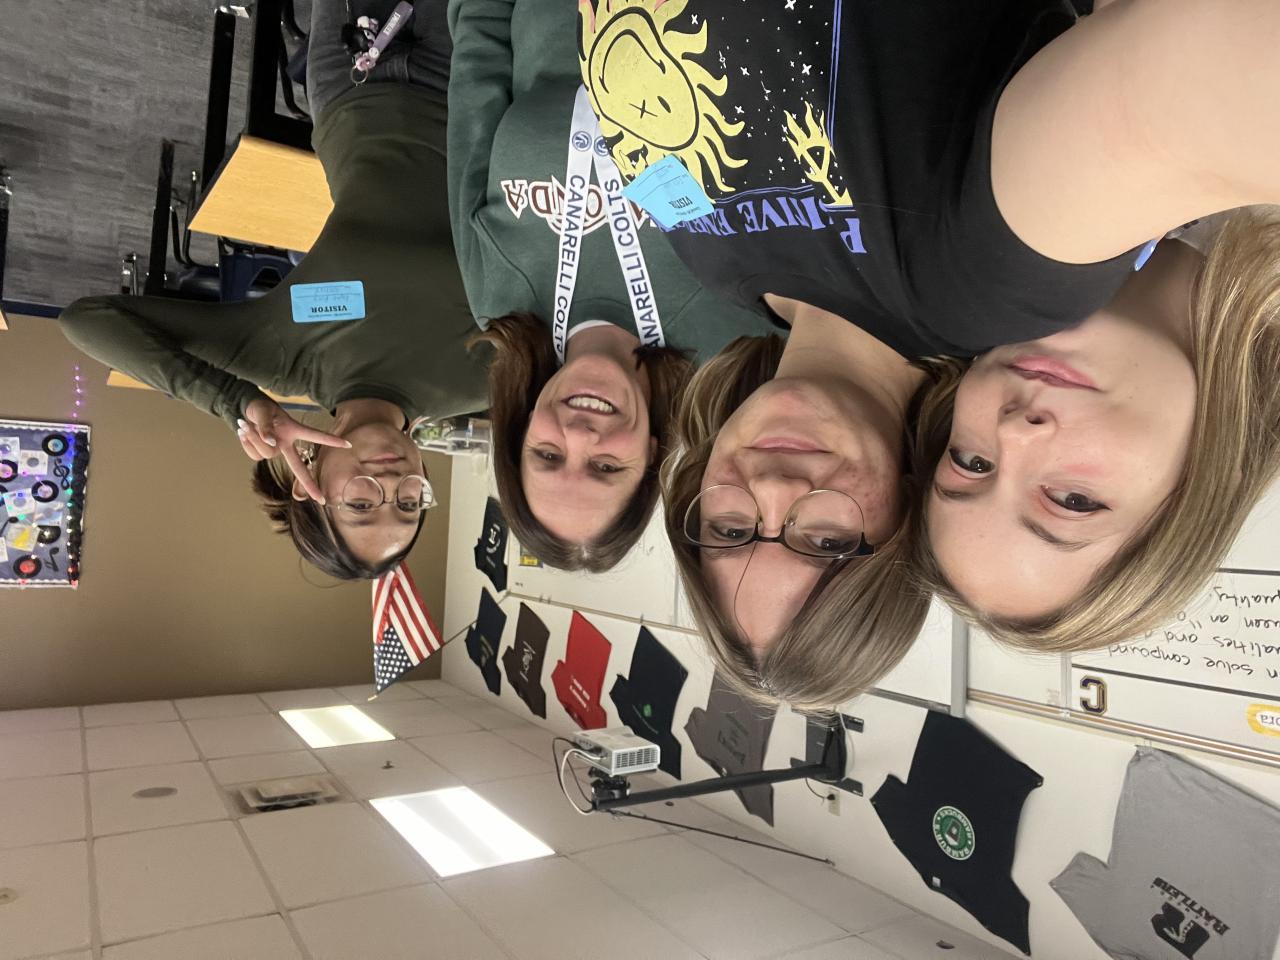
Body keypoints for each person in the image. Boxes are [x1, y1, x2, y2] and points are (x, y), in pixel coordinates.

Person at [575, 0, 1280, 706]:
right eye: (825, 541)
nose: (775, 491)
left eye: (730, 529)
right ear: (904, 512)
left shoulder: (700, 260)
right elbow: (1179, 87)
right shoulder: (985, 286)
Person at [58, 0, 488, 580]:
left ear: (311, 483)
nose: (389, 485)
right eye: (409, 504)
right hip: (466, 84)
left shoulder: (283, 360)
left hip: (351, 74)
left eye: (362, 505)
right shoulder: (477, 380)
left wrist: (237, 402)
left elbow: (87, 320)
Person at [447, 0, 778, 572]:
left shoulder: (498, 303)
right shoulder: (736, 330)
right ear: (650, 457)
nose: (580, 435)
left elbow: (477, 77)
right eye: (605, 468)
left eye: (548, 455)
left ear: (521, 431)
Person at [914, 209, 1280, 652]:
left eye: (973, 463)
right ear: (1205, 487)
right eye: (1073, 501)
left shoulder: (978, 220)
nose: (1013, 433)